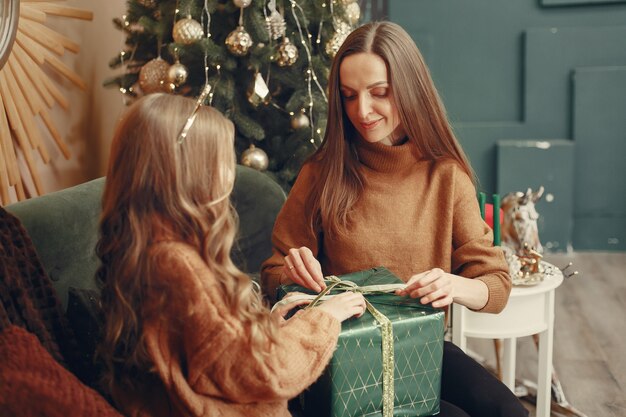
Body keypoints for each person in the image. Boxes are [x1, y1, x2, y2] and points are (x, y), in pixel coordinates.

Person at [261, 21, 528, 417]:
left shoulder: (445, 175)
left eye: (379, 93)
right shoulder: (321, 173)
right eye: (349, 96)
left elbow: (497, 285)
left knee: (508, 411)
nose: (362, 111)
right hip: (340, 353)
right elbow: (272, 271)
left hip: (419, 346)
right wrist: (293, 271)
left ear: (410, 88)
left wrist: (454, 286)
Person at [95, 92, 366, 417]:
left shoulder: (144, 249)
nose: (230, 174)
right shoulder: (178, 264)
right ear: (190, 173)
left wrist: (267, 327)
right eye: (223, 161)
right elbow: (265, 373)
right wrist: (323, 319)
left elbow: (208, 353)